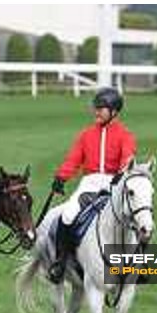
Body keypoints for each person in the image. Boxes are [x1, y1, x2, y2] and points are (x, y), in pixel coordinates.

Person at [48, 87, 137, 283]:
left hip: (115, 183)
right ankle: (61, 262)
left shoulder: (125, 135)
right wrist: (61, 177)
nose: (96, 112)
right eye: (95, 108)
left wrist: (121, 175)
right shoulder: (86, 134)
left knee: (134, 217)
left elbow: (127, 158)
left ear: (114, 111)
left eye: (101, 108)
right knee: (68, 214)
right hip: (90, 183)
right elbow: (74, 158)